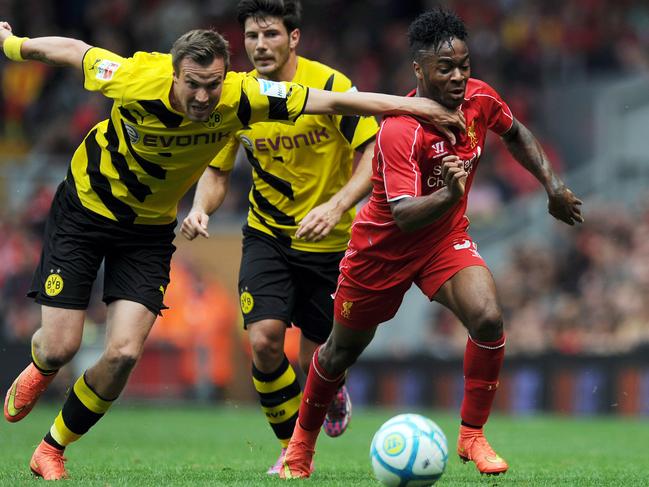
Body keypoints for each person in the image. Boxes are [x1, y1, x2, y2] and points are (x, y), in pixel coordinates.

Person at [0, 20, 465, 481]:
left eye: (212, 85)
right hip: (85, 210)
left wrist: (419, 108)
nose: (204, 98)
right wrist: (13, 43)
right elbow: (72, 50)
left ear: (226, 77)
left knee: (122, 353)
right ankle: (43, 364)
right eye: (193, 86)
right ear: (175, 74)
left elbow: (337, 100)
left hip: (148, 233)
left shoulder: (245, 96)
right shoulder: (136, 74)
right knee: (60, 346)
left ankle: (51, 447)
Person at [279, 8, 584, 479]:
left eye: (464, 64)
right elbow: (402, 214)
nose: (460, 75)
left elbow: (517, 133)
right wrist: (450, 193)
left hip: (442, 242)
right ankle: (301, 447)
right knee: (339, 352)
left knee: (487, 317)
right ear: (419, 70)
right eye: (446, 68)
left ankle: (472, 436)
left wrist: (553, 186)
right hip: (380, 252)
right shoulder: (400, 129)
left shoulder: (480, 98)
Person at [180, 0, 400, 474]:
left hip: (332, 244)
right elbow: (217, 173)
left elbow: (373, 155)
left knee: (320, 358)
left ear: (294, 37)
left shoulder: (330, 86)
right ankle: (292, 447)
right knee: (263, 342)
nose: (260, 45)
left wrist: (338, 205)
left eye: (271, 35)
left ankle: (331, 384)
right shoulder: (237, 97)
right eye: (252, 36)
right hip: (268, 237)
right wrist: (199, 209)